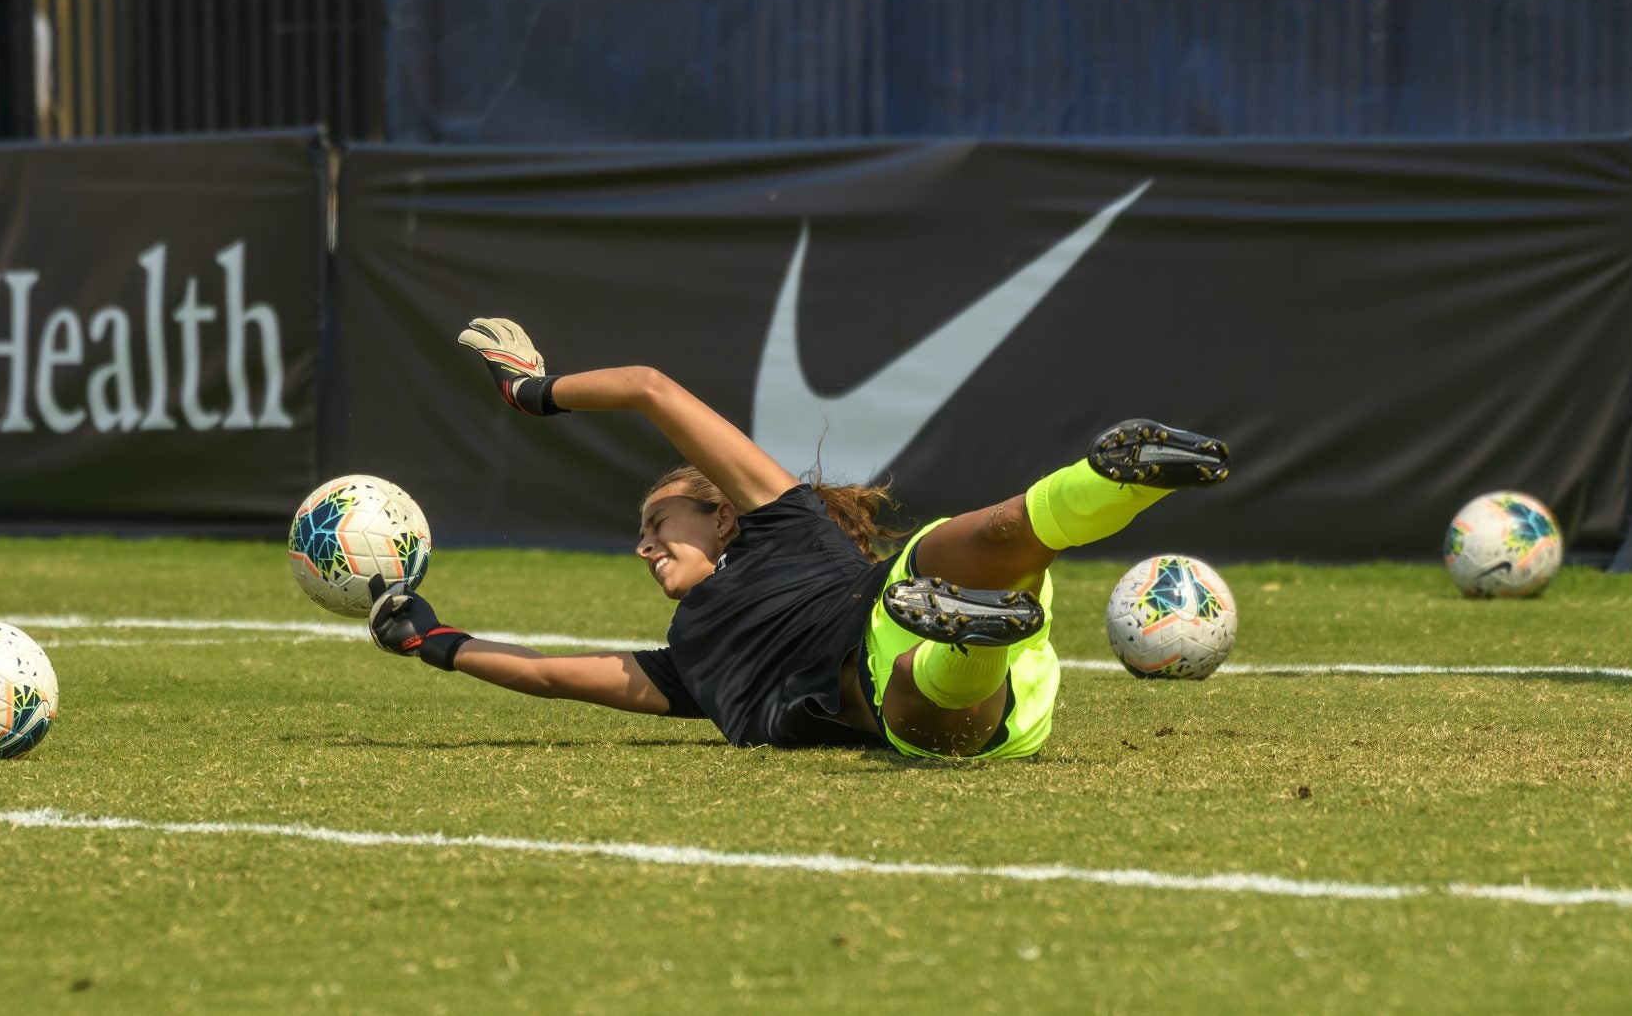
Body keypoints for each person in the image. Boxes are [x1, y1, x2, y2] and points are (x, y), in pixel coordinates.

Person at [365, 318, 1230, 759]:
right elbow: (554, 675)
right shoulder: (687, 660)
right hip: (927, 685)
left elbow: (649, 388)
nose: (642, 546)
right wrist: (437, 640)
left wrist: (533, 393)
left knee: (1000, 529)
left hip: (895, 597)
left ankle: (1121, 476)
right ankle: (973, 630)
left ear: (723, 517)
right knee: (914, 694)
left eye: (656, 523)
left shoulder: (785, 524)